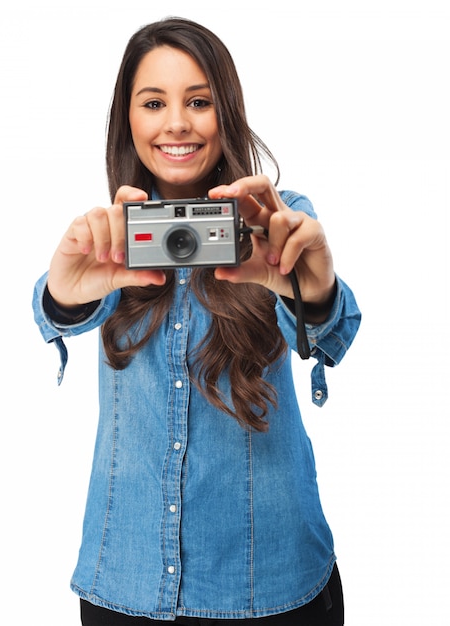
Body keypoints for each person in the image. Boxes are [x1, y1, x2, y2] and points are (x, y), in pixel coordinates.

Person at [32, 17, 361, 626]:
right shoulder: (114, 236)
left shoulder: (274, 221)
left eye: (199, 101)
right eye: (153, 102)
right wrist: (62, 296)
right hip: (123, 577)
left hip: (268, 579)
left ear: (226, 112)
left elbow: (332, 332)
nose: (176, 122)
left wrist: (311, 292)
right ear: (127, 119)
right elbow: (54, 308)